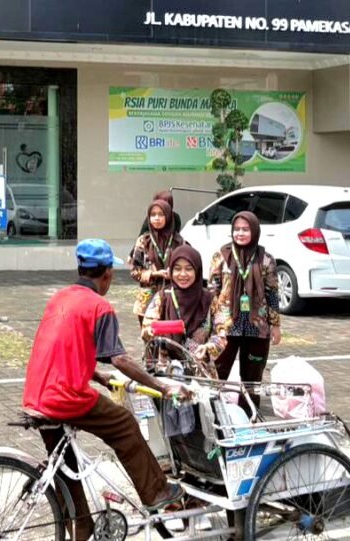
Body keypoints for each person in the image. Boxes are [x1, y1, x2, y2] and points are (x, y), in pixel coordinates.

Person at [22, 239, 190, 541]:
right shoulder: (99, 306)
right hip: (65, 396)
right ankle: (156, 492)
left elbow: (68, 348)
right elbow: (121, 359)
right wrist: (160, 387)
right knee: (125, 425)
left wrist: (98, 376)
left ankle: (81, 528)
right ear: (108, 274)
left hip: (36, 392)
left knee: (65, 462)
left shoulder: (59, 297)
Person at [208, 211, 281, 412]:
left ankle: (248, 416)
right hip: (226, 326)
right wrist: (209, 324)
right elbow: (212, 291)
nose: (240, 233)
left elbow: (272, 294)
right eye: (237, 229)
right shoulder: (221, 256)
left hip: (257, 327)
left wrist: (275, 325)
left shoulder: (265, 259)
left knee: (252, 379)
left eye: (245, 229)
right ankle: (213, 413)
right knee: (216, 373)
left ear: (255, 231)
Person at [141, 245, 224, 374]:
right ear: (171, 271)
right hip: (166, 372)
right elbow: (146, 328)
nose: (183, 274)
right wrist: (154, 331)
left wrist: (208, 347)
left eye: (189, 269)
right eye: (177, 269)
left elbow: (221, 333)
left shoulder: (209, 299)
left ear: (197, 270)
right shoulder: (163, 297)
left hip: (201, 371)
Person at [130, 200, 184, 325]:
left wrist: (176, 273)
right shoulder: (143, 241)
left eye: (161, 214)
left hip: (172, 298)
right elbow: (134, 271)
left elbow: (188, 267)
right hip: (147, 300)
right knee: (150, 339)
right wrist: (155, 274)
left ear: (168, 216)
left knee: (170, 338)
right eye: (153, 215)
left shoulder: (179, 241)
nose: (157, 218)